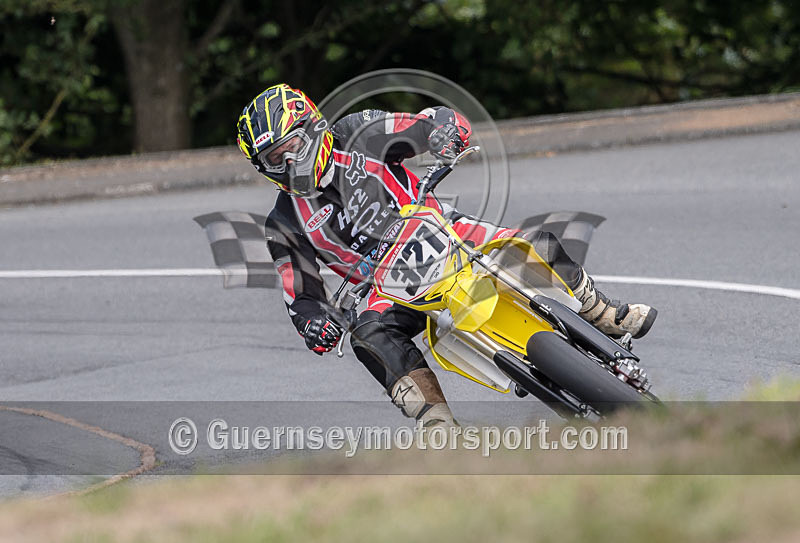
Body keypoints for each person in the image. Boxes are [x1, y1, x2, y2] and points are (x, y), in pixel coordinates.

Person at [237, 84, 657, 427]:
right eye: (275, 158)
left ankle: (599, 309)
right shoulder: (283, 222)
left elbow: (419, 127)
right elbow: (301, 295)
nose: (289, 161)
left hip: (444, 231)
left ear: (312, 128)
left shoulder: (357, 132)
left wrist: (442, 130)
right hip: (388, 288)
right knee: (368, 335)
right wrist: (315, 323)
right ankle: (436, 424)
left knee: (536, 242)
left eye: (291, 146)